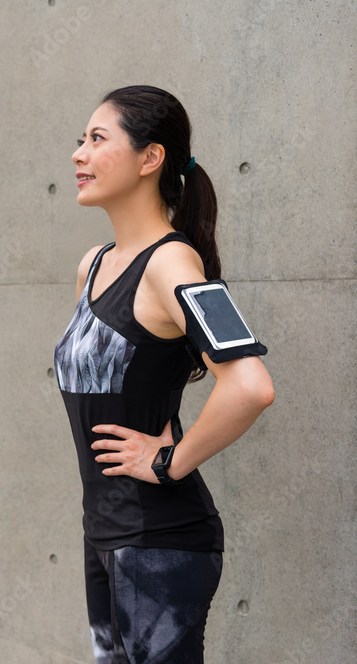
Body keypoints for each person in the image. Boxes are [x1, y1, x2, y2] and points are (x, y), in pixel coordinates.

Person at [53, 85, 275, 663]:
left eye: (97, 139)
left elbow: (249, 385)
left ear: (150, 159)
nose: (78, 154)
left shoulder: (174, 263)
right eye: (80, 140)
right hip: (104, 535)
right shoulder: (94, 265)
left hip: (160, 542)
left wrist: (169, 460)